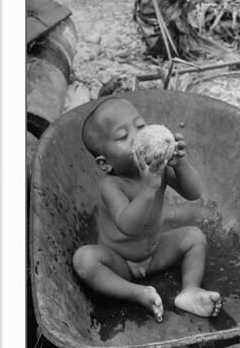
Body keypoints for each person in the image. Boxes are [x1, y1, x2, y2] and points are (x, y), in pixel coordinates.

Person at [73, 97, 221, 322]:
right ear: (105, 163)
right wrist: (147, 190)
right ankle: (138, 293)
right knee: (84, 260)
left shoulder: (158, 168)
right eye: (123, 136)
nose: (138, 137)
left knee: (195, 237)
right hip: (119, 261)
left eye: (140, 126)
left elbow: (194, 193)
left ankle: (190, 290)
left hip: (155, 252)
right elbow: (128, 226)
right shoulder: (112, 185)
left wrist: (180, 164)